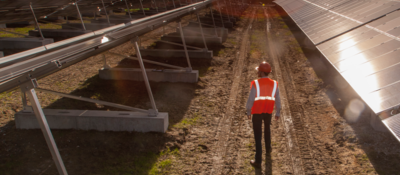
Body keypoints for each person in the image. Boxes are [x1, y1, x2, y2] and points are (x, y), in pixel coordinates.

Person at [246, 61, 281, 168]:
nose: (257, 72)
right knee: (267, 129)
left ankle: (258, 161)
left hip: (257, 112)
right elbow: (278, 100)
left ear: (261, 72)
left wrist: (248, 111)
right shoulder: (274, 84)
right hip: (268, 111)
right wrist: (278, 111)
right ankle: (268, 148)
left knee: (258, 136)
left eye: (258, 71)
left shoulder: (256, 83)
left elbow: (251, 100)